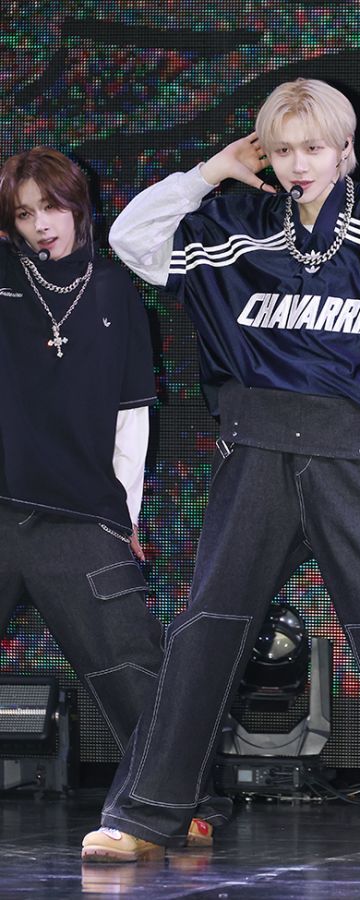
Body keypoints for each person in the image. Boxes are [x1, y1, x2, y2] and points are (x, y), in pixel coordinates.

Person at [82, 78, 360, 864]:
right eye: (282, 150)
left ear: (345, 148)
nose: (298, 164)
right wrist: (210, 172)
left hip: (356, 454)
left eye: (312, 147)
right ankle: (144, 817)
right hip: (254, 450)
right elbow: (133, 241)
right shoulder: (234, 223)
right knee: (204, 633)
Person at [0, 147, 224, 844]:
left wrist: (123, 517)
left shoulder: (114, 291)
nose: (42, 225)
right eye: (25, 213)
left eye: (52, 207)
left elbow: (133, 417)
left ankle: (183, 802)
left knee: (134, 668)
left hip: (81, 513)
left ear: (79, 207)